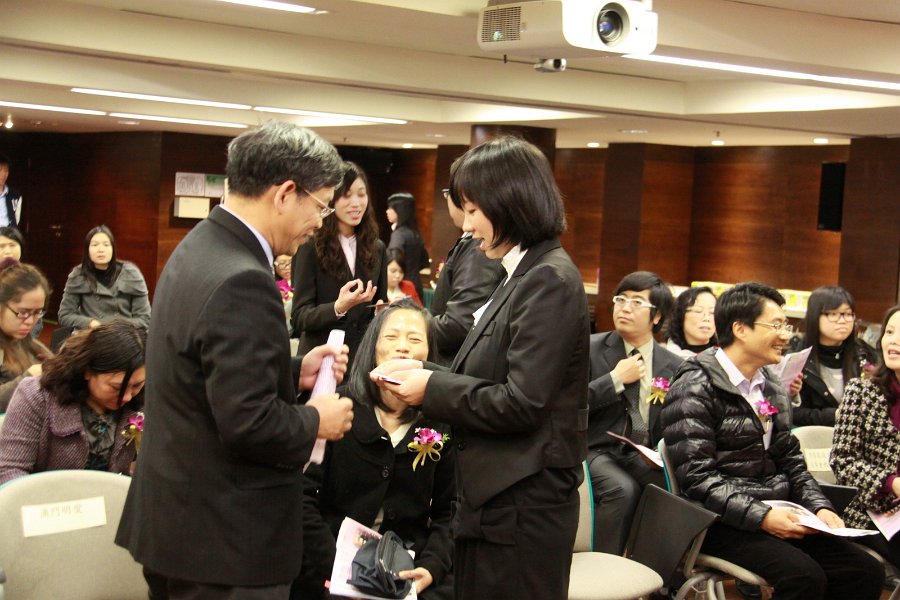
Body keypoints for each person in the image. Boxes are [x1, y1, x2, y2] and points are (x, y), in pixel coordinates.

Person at [115, 122, 355, 600]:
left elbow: (200, 370)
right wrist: (316, 419)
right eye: (322, 205)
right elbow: (248, 423)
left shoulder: (199, 245)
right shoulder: (243, 278)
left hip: (179, 523)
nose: (321, 221)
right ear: (285, 193)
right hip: (224, 542)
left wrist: (292, 371)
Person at [374, 136, 590, 600]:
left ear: (510, 202)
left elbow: (522, 401)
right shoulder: (520, 272)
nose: (467, 226)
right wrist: (421, 370)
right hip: (497, 497)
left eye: (473, 210)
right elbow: (488, 373)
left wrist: (431, 386)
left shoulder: (547, 279)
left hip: (523, 505)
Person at [661, 282, 883, 600]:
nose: (785, 335)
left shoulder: (771, 385)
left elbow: (790, 459)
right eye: (776, 325)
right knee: (804, 577)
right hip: (717, 520)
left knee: (864, 570)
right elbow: (697, 478)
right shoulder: (695, 386)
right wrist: (762, 517)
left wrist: (819, 507)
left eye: (785, 325)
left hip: (777, 510)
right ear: (740, 329)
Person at [295, 299, 454, 600]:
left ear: (429, 354)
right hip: (331, 563)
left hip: (406, 568)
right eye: (391, 337)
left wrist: (431, 566)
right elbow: (302, 498)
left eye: (415, 339)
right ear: (373, 347)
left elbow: (450, 511)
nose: (402, 347)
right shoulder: (337, 407)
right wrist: (339, 567)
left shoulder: (440, 422)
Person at [586, 271, 682, 554]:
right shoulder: (590, 349)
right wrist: (614, 379)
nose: (625, 308)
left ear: (657, 316)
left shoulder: (674, 364)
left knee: (673, 489)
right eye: (621, 299)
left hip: (645, 453)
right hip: (596, 448)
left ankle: (655, 569)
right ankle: (605, 570)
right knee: (622, 490)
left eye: (637, 302)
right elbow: (568, 404)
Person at [0, 320, 146, 485]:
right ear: (87, 371)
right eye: (116, 387)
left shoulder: (140, 403)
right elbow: (9, 470)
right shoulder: (38, 396)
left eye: (137, 385)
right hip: (45, 497)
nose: (127, 397)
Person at [291, 161, 387, 368]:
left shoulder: (377, 247)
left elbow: (379, 303)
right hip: (321, 360)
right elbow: (299, 317)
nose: (356, 203)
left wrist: (384, 313)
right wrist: (338, 307)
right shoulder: (309, 245)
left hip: (360, 361)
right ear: (331, 199)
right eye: (346, 195)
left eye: (361, 194)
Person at [831, 304, 900, 572]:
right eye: (890, 332)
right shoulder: (861, 391)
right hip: (870, 510)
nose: (893, 341)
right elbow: (842, 461)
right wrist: (891, 483)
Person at [429, 189, 503, 366]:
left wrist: (412, 324)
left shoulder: (480, 244)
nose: (467, 227)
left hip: (454, 363)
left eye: (472, 210)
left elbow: (459, 324)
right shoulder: (476, 241)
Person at [793, 285, 873, 426]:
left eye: (848, 314)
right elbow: (792, 412)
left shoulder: (865, 353)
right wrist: (834, 416)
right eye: (833, 314)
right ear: (815, 316)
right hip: (814, 437)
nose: (842, 320)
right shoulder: (797, 358)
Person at [58, 225, 151, 331]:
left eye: (106, 245)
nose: (101, 249)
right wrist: (90, 323)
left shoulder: (131, 274)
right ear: (87, 249)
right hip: (90, 335)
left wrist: (118, 326)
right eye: (95, 245)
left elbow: (145, 319)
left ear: (113, 248)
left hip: (123, 335)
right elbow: (65, 315)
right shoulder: (78, 275)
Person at [0, 259, 52, 412]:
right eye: (23, 312)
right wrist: (28, 378)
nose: (30, 321)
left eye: (37, 312)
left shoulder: (27, 342)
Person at [386, 192, 429, 301]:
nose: (387, 211)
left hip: (402, 287)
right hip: (417, 285)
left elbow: (394, 261)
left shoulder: (399, 235)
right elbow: (424, 262)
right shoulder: (417, 234)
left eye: (390, 208)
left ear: (399, 211)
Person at [665, 286, 717, 358]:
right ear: (680, 315)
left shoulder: (726, 356)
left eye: (712, 312)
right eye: (698, 311)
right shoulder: (667, 357)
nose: (706, 318)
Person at [0, 154, 22, 228]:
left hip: (8, 233)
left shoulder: (14, 195)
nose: (3, 174)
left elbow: (16, 220)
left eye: (6, 171)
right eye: (0, 170)